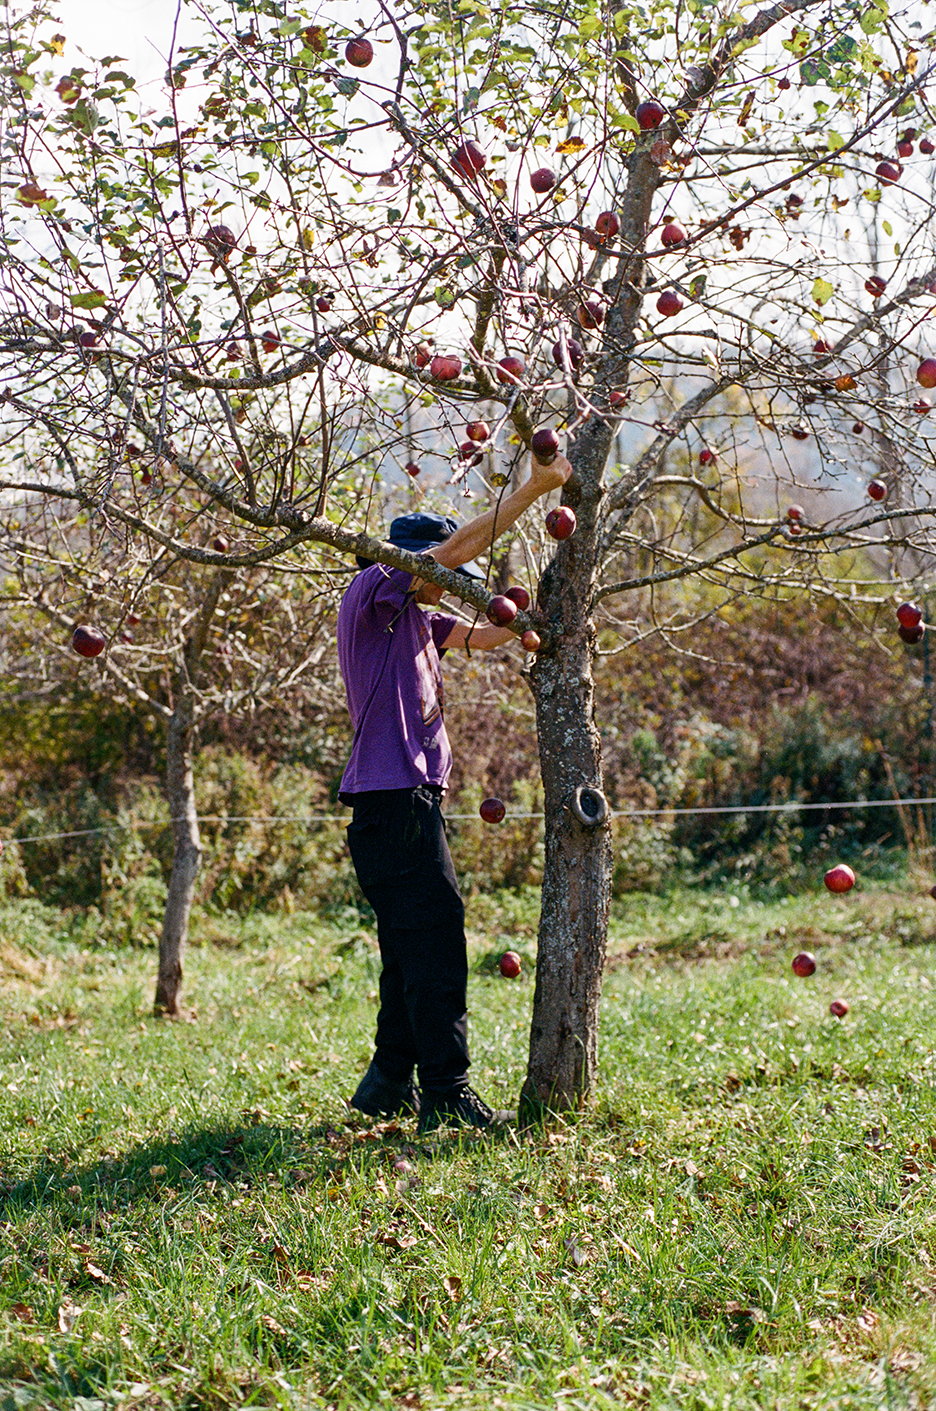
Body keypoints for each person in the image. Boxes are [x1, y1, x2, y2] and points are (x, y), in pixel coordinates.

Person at [337, 447, 572, 1134]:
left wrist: (535, 619)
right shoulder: (379, 589)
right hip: (393, 798)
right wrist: (535, 488)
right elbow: (446, 559)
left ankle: (386, 1084)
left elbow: (486, 633)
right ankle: (447, 1090)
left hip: (403, 803)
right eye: (442, 572)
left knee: (408, 951)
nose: (448, 585)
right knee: (437, 945)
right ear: (412, 562)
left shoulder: (417, 617)